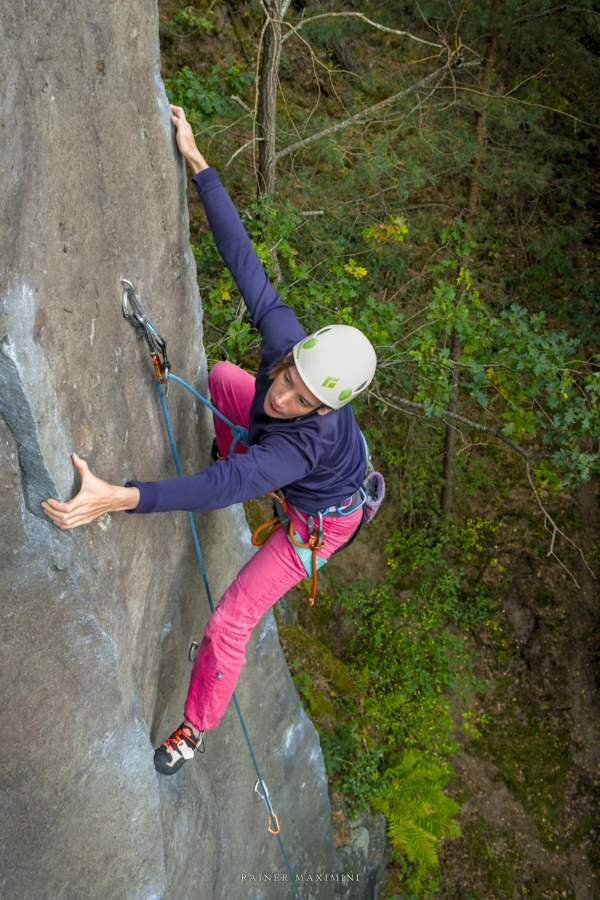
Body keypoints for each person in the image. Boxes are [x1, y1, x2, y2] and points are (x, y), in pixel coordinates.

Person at [42, 105, 377, 776]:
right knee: (226, 378)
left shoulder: (297, 446)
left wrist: (119, 496)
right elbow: (244, 261)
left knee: (229, 622)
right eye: (288, 380)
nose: (283, 396)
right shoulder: (289, 349)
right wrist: (198, 161)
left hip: (321, 521)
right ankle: (230, 437)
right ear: (294, 356)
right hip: (299, 467)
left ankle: (193, 730)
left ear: (324, 408)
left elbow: (222, 489)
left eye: (302, 401)